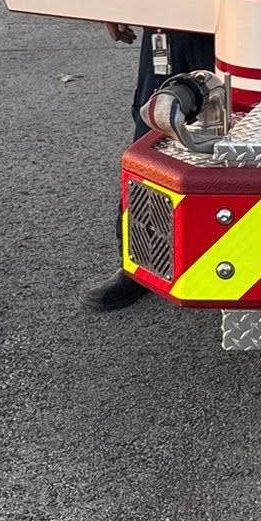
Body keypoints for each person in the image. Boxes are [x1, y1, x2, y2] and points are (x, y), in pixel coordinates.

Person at [84, 23, 216, 311]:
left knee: (245, 125)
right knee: (153, 133)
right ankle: (140, 265)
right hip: (168, 22)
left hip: (245, 13)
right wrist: (118, 3)